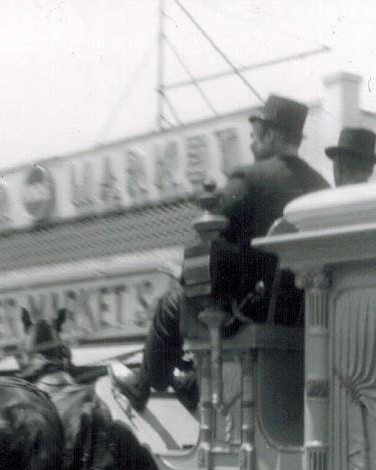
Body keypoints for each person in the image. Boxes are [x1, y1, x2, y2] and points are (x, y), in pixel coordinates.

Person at [113, 94, 329, 411]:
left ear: (269, 135)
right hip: (306, 315)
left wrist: (184, 273)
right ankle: (194, 382)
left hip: (251, 316)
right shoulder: (321, 186)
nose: (253, 147)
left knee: (174, 299)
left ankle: (143, 385)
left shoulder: (249, 179)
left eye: (254, 138)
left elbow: (213, 246)